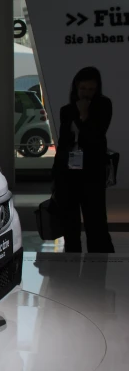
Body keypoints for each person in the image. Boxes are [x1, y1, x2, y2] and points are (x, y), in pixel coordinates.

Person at [52, 66, 114, 253]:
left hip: (92, 172)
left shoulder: (103, 106)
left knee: (95, 222)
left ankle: (97, 267)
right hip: (68, 173)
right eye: (83, 89)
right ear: (76, 88)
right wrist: (55, 175)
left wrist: (84, 115)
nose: (86, 94)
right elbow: (63, 144)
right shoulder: (66, 110)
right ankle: (72, 267)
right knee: (70, 225)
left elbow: (95, 136)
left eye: (91, 89)